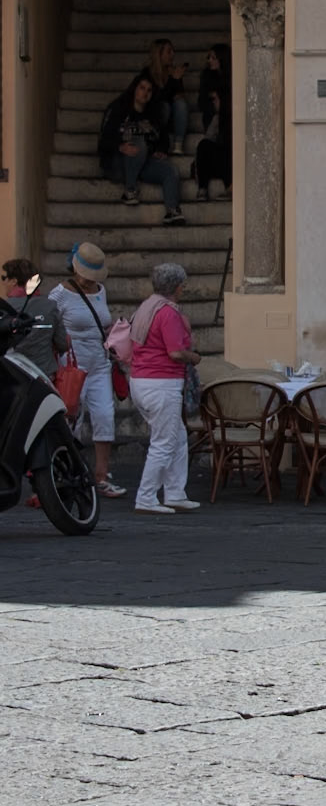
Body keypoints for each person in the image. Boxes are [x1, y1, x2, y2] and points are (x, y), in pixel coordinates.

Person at [50, 243, 125, 498]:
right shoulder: (59, 294)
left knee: (105, 416)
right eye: (83, 274)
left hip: (99, 364)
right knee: (72, 419)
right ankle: (67, 473)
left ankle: (101, 475)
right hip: (72, 366)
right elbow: (50, 326)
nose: (87, 281)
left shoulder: (101, 292)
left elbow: (101, 323)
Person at [128, 262, 200, 515]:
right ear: (177, 286)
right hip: (162, 383)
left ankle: (175, 493)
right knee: (164, 442)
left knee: (178, 437)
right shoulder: (168, 313)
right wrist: (194, 357)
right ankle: (146, 497)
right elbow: (176, 352)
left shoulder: (147, 306)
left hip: (141, 380)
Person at [97, 73, 185, 225]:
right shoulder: (118, 108)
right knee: (138, 142)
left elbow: (163, 136)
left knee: (171, 170)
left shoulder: (153, 113)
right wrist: (120, 146)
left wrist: (162, 150)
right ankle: (129, 191)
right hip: (117, 163)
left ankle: (172, 211)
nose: (145, 93)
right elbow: (103, 141)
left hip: (141, 162)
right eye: (142, 88)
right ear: (134, 89)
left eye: (149, 90)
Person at [1, 258, 69, 381]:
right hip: (44, 375)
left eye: (4, 278)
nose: (3, 282)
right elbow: (63, 344)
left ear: (14, 281)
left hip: (12, 376)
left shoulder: (4, 308)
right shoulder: (50, 306)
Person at [194, 43, 233, 202]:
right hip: (214, 126)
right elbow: (202, 104)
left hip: (227, 129)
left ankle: (230, 186)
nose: (209, 60)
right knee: (203, 146)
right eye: (208, 57)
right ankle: (202, 188)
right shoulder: (207, 79)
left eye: (213, 57)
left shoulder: (231, 80)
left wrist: (222, 106)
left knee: (227, 147)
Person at [141, 38, 191, 150]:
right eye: (169, 51)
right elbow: (153, 99)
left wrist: (176, 80)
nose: (173, 54)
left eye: (173, 51)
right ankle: (156, 141)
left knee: (181, 104)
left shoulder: (173, 72)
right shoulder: (147, 73)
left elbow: (179, 97)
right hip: (154, 117)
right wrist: (173, 80)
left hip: (173, 119)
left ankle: (178, 145)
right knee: (164, 106)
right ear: (159, 54)